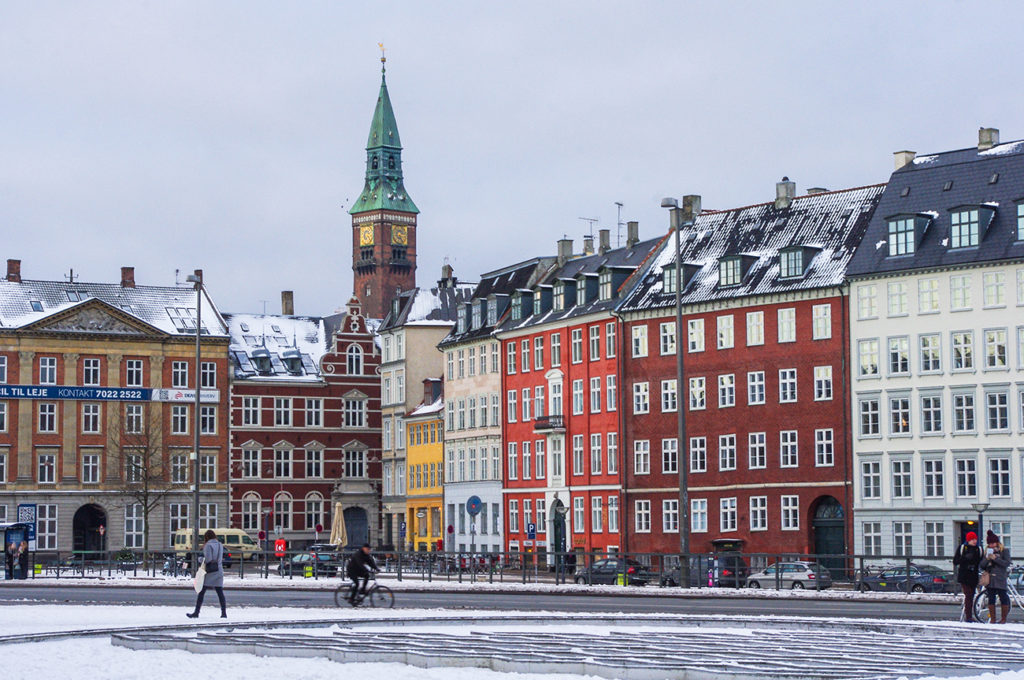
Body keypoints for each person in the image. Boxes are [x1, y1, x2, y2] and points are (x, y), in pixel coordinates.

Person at [187, 529, 226, 619]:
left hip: (210, 572)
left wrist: (200, 559)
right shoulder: (220, 545)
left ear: (207, 537)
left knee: (201, 591)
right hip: (219, 570)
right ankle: (223, 613)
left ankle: (196, 612)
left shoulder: (208, 545)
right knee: (220, 592)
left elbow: (208, 560)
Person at [980, 529, 1012, 623]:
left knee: (1003, 597)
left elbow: (1006, 563)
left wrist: (996, 559)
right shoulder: (987, 552)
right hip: (990, 579)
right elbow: (982, 566)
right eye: (990, 544)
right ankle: (993, 619)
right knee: (991, 598)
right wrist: (987, 558)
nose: (992, 545)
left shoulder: (1004, 551)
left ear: (997, 542)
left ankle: (1003, 619)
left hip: (1000, 578)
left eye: (993, 543)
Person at [953, 531, 982, 622]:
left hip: (973, 576)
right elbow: (955, 561)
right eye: (972, 539)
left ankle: (969, 615)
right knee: (968, 595)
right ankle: (968, 616)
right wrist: (965, 558)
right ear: (968, 540)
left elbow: (981, 562)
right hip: (964, 575)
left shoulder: (979, 549)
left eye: (975, 539)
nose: (974, 541)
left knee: (971, 595)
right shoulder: (962, 548)